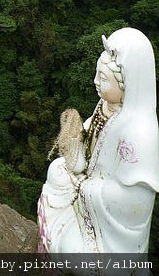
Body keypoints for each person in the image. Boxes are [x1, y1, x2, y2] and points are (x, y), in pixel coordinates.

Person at [37, 27, 159, 254]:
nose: (95, 82)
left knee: (72, 253)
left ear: (127, 83)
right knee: (56, 170)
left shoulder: (140, 131)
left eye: (103, 78)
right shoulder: (105, 105)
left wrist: (86, 187)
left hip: (110, 227)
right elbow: (90, 140)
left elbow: (137, 203)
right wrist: (75, 140)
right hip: (90, 187)